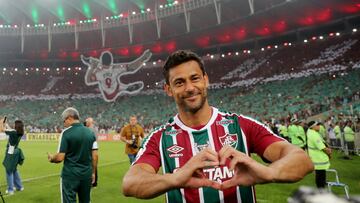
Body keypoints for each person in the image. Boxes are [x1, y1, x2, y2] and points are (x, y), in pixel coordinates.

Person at [122, 50, 314, 202]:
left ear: (205, 80)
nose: (189, 88)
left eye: (195, 78)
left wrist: (268, 172)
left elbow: (301, 160)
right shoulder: (160, 138)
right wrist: (175, 179)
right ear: (168, 90)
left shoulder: (241, 126)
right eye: (179, 82)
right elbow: (131, 184)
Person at [47, 107, 98, 203]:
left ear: (70, 118)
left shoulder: (66, 133)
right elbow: (95, 156)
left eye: (64, 120)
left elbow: (60, 158)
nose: (64, 123)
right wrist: (93, 172)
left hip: (70, 176)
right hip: (86, 174)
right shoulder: (90, 133)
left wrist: (51, 158)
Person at [0, 118, 25, 195]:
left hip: (11, 152)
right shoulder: (19, 132)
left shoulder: (14, 132)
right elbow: (9, 130)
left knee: (9, 171)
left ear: (16, 125)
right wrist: (5, 123)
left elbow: (2, 130)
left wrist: (1, 122)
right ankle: (19, 186)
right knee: (14, 170)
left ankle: (10, 189)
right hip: (16, 151)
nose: (13, 124)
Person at [306, 121, 331, 188]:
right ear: (313, 127)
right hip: (318, 159)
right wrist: (328, 151)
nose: (319, 126)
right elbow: (322, 147)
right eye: (317, 125)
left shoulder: (311, 132)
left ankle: (321, 188)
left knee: (320, 175)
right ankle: (321, 190)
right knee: (320, 175)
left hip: (317, 158)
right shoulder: (314, 135)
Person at [85, 117, 99, 187]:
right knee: (93, 165)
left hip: (91, 149)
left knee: (93, 165)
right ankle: (93, 182)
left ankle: (93, 182)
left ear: (90, 122)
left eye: (87, 122)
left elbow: (94, 140)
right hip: (92, 148)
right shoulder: (93, 129)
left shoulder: (91, 129)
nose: (86, 123)